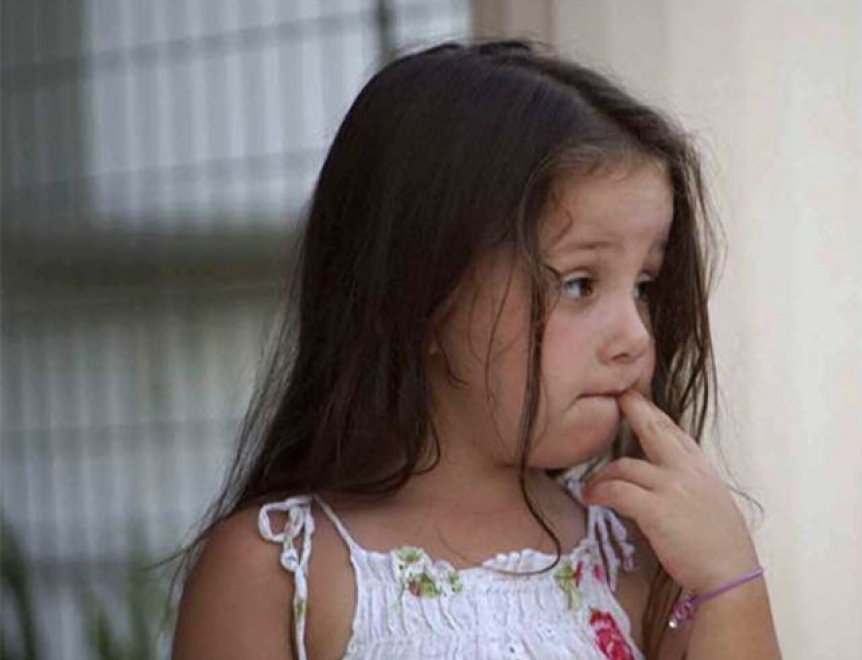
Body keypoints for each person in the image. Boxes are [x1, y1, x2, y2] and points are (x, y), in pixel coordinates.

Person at [171, 39, 781, 660]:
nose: (635, 337)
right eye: (579, 284)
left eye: (644, 286)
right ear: (426, 291)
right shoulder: (282, 571)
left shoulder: (641, 558)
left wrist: (732, 587)